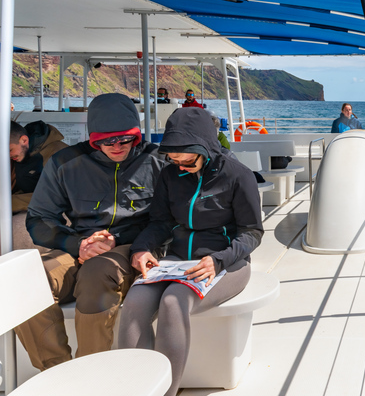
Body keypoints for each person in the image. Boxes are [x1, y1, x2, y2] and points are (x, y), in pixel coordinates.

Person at [118, 107, 263, 396]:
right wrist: (142, 248)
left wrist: (217, 260)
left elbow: (252, 232)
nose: (180, 166)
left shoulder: (238, 176)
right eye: (173, 160)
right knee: (135, 302)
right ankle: (136, 389)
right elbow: (160, 222)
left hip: (226, 262)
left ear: (206, 148)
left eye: (187, 160)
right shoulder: (171, 175)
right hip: (177, 259)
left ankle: (167, 392)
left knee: (174, 301)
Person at [16, 93, 166, 371]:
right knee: (26, 280)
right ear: (93, 138)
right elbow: (39, 218)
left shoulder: (159, 162)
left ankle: (90, 374)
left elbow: (170, 220)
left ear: (138, 134)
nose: (118, 146)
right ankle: (58, 373)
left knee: (97, 273)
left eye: (126, 139)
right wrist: (78, 245)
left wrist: (116, 241)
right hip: (79, 245)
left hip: (135, 246)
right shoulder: (65, 163)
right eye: (107, 140)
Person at [10, 120, 68, 214]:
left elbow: (58, 197)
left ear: (24, 140)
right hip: (35, 208)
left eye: (10, 150)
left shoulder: (59, 154)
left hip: (61, 213)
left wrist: (10, 202)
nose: (9, 155)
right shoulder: (24, 153)